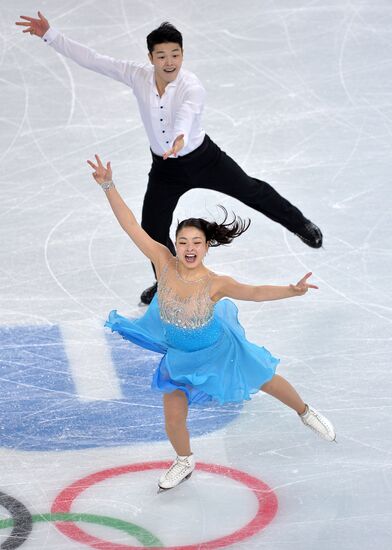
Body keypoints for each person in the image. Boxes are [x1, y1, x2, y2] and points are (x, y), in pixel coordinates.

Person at [16, 13, 324, 306]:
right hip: (165, 169)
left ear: (182, 55)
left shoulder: (192, 86)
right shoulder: (137, 76)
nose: (169, 62)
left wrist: (179, 137)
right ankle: (167, 281)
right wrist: (50, 35)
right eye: (162, 56)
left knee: (251, 191)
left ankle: (300, 224)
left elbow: (187, 113)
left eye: (175, 55)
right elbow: (95, 61)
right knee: (152, 228)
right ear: (150, 58)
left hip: (203, 158)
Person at [86, 154, 335, 492]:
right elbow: (131, 225)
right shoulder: (163, 262)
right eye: (183, 242)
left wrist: (292, 291)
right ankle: (184, 460)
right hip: (180, 356)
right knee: (173, 419)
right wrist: (108, 186)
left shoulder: (216, 283)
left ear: (206, 247)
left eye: (196, 243)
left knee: (266, 379)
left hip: (219, 351)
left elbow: (256, 292)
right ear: (175, 244)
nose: (189, 248)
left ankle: (306, 412)